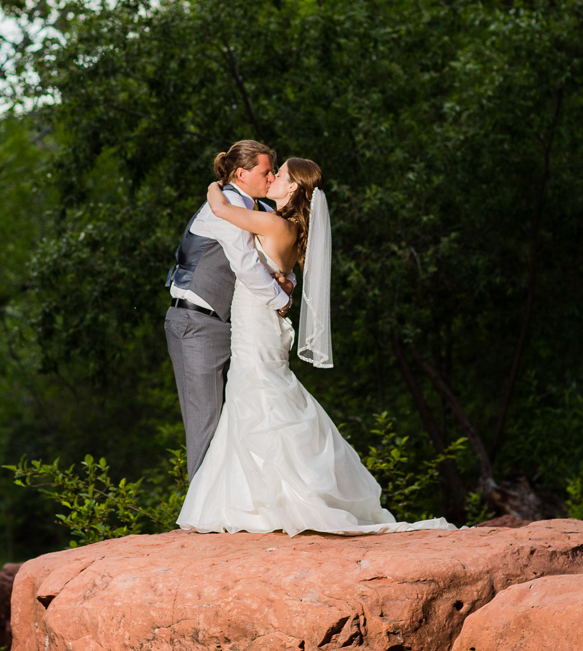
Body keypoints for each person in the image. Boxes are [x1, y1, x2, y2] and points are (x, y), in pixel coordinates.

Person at [177, 157, 455, 535]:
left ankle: (271, 500)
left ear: (293, 189)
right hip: (264, 322)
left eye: (281, 175)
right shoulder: (290, 228)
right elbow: (284, 273)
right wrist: (283, 285)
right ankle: (253, 497)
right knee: (256, 395)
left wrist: (218, 181)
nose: (273, 177)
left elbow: (220, 208)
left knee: (257, 394)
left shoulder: (274, 223)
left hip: (257, 322)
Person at [165, 140, 295, 479]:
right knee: (205, 419)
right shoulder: (219, 209)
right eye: (266, 172)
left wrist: (287, 280)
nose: (271, 179)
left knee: (238, 417)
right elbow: (248, 264)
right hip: (196, 322)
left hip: (234, 328)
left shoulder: (257, 211)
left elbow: (278, 252)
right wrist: (282, 301)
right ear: (241, 173)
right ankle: (201, 515)